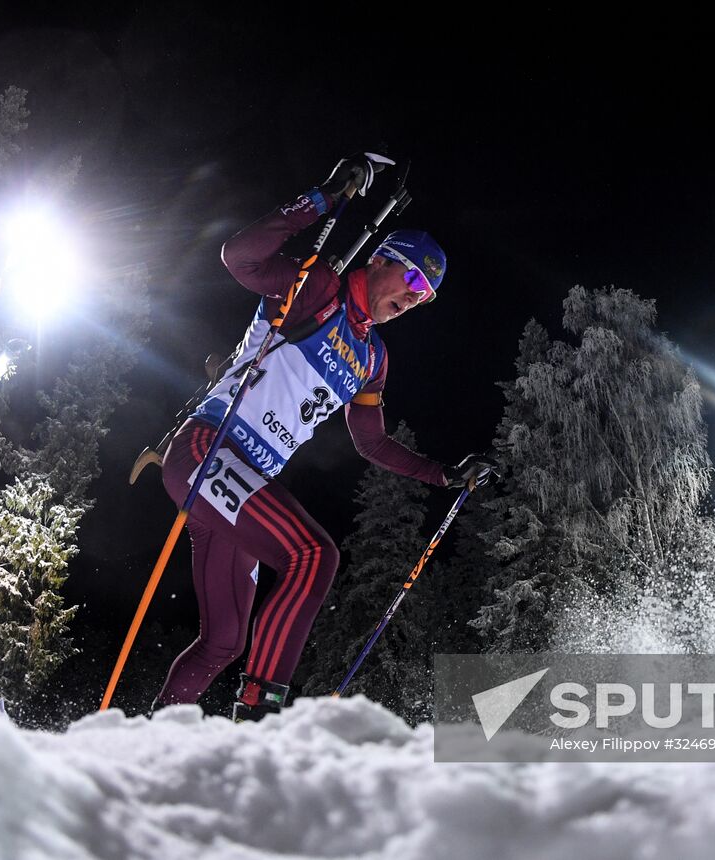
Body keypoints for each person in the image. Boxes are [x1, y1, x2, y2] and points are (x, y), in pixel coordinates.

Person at [152, 154, 494, 722]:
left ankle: (150, 743)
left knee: (224, 642)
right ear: (381, 260)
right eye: (412, 279)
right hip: (208, 449)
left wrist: (445, 474)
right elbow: (239, 256)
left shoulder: (372, 358)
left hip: (242, 482)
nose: (414, 298)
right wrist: (325, 197)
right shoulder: (318, 288)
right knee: (312, 556)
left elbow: (372, 444)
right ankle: (260, 716)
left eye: (425, 296)